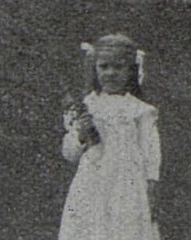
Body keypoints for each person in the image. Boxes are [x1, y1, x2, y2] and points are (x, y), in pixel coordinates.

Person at [58, 31, 161, 240]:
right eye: (104, 67)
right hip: (92, 182)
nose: (110, 73)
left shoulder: (140, 110)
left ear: (131, 71)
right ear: (95, 69)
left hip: (128, 185)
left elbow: (151, 151)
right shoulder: (86, 107)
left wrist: (151, 186)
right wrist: (81, 135)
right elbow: (69, 153)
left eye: (118, 67)